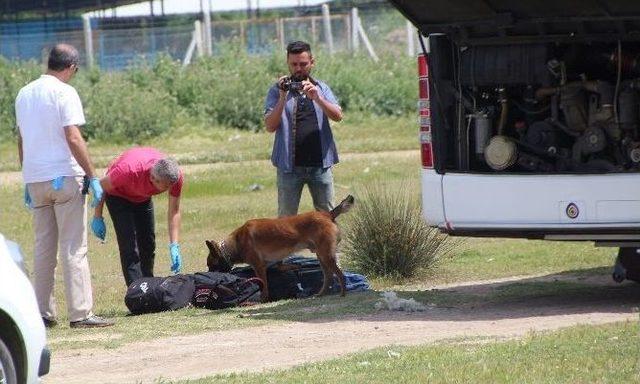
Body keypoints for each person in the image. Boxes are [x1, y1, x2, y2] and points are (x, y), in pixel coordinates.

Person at [16, 43, 114, 328]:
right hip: (64, 178)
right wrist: (92, 175)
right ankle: (81, 313)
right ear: (71, 67)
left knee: (43, 248)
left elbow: (22, 139)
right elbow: (73, 137)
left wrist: (28, 176)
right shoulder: (65, 92)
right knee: (74, 247)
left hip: (36, 180)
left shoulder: (24, 93)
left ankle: (43, 313)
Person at [264, 40, 343, 217]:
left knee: (328, 219)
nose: (298, 69)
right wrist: (283, 97)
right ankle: (286, 247)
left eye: (303, 64)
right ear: (288, 63)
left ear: (312, 62)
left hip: (320, 165)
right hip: (289, 167)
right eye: (294, 64)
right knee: (286, 221)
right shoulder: (277, 90)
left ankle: (328, 246)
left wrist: (317, 98)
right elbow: (270, 126)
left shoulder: (321, 88)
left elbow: (338, 116)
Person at [90, 147, 184, 287]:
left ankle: (148, 286)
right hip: (118, 196)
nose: (168, 189)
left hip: (142, 197)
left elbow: (174, 211)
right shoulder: (126, 171)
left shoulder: (173, 177)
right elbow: (101, 186)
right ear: (153, 179)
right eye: (165, 188)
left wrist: (174, 245)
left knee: (148, 242)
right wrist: (98, 216)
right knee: (129, 245)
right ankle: (136, 290)